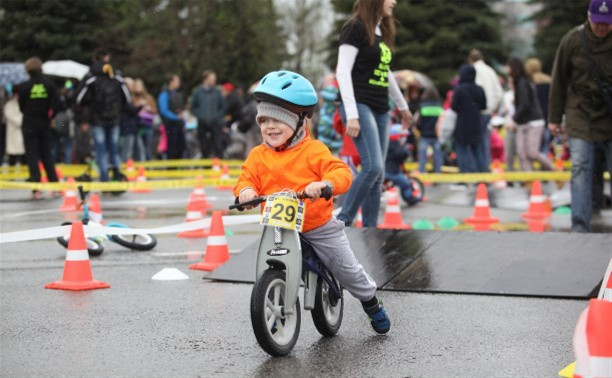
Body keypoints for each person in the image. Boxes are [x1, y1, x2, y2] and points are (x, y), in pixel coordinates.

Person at [235, 70, 391, 334]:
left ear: (299, 122)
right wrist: (246, 192)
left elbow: (341, 172)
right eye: (264, 121)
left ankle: (371, 300)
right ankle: (274, 295)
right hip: (279, 227)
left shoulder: (313, 150)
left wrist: (325, 185)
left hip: (318, 226)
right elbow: (245, 179)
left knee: (346, 269)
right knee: (263, 264)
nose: (270, 127)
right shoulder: (258, 155)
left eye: (278, 120)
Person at [335, 0, 412, 227]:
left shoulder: (380, 31)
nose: (394, 2)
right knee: (373, 167)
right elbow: (342, 71)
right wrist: (351, 114)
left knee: (377, 176)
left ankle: (370, 229)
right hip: (359, 104)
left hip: (381, 107)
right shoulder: (355, 28)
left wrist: (403, 106)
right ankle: (342, 220)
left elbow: (385, 74)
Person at [548, 0, 612, 232]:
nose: (602, 28)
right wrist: (554, 118)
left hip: (609, 113)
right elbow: (559, 80)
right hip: (580, 113)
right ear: (589, 16)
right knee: (581, 168)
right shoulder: (573, 40)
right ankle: (579, 226)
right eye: (598, 23)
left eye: (607, 23)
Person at [76, 47, 130, 182]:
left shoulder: (91, 77)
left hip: (97, 118)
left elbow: (79, 98)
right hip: (114, 117)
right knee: (114, 148)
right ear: (107, 57)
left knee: (100, 150)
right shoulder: (117, 75)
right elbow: (127, 97)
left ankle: (105, 179)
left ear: (94, 59)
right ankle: (117, 176)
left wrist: (90, 106)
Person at [18, 57, 62, 199]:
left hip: (29, 124)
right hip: (44, 123)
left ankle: (36, 189)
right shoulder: (49, 84)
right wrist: (50, 114)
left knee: (32, 156)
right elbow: (58, 104)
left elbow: (21, 106)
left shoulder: (24, 86)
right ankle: (54, 186)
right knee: (47, 155)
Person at [506, 57, 555, 172]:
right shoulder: (526, 82)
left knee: (530, 152)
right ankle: (530, 178)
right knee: (523, 152)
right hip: (532, 120)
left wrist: (513, 120)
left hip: (532, 120)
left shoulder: (522, 83)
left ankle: (553, 170)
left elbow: (525, 104)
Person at [468, 49, 503, 172]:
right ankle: (486, 168)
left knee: (477, 143)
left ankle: (480, 170)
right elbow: (499, 93)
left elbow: (475, 91)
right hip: (489, 111)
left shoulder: (473, 71)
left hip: (477, 111)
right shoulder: (490, 71)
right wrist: (492, 107)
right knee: (485, 141)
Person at [451, 64, 487, 173]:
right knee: (477, 151)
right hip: (476, 123)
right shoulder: (479, 89)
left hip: (462, 124)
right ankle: (483, 176)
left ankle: (464, 177)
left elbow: (454, 106)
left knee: (462, 151)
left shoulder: (459, 89)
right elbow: (484, 106)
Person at [191, 70, 225, 158]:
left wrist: (217, 117)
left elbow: (222, 107)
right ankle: (206, 167)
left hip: (215, 123)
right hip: (202, 123)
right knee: (203, 145)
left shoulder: (217, 92)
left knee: (217, 144)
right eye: (212, 79)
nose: (214, 81)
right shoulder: (197, 92)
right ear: (205, 79)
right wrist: (200, 116)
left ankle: (219, 166)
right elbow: (193, 107)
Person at [385, 124, 421, 206]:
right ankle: (410, 198)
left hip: (386, 169)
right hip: (392, 171)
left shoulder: (388, 142)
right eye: (403, 136)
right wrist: (406, 150)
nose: (405, 139)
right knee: (406, 183)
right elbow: (400, 155)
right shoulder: (395, 144)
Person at [524, 57, 552, 154]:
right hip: (548, 117)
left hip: (534, 119)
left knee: (534, 148)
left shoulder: (529, 84)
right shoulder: (549, 81)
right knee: (546, 146)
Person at [415, 86, 443, 173]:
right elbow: (442, 121)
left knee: (423, 155)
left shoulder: (422, 106)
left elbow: (417, 121)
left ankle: (422, 171)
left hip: (424, 135)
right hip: (436, 135)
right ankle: (437, 173)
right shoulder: (440, 106)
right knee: (437, 155)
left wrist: (420, 129)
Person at [158, 74, 186, 160]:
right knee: (171, 148)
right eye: (176, 81)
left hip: (179, 125)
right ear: (171, 82)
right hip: (170, 125)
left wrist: (182, 121)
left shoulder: (178, 94)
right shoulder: (164, 94)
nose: (179, 83)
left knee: (180, 148)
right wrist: (176, 117)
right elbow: (164, 111)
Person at [3, 85, 25, 166]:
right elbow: (12, 117)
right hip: (13, 134)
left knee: (24, 159)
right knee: (12, 159)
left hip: (22, 134)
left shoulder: (23, 103)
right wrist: (24, 121)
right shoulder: (9, 105)